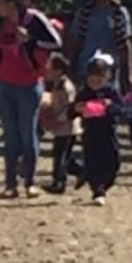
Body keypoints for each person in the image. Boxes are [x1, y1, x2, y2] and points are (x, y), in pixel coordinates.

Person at [0, 0, 64, 199]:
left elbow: (56, 42)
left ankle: (30, 182)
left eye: (1, 1)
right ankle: (10, 184)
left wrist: (31, 41)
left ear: (11, 2)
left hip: (29, 85)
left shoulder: (34, 19)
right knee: (10, 135)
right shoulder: (5, 25)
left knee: (28, 133)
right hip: (5, 84)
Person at [68, 0, 132, 89]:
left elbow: (125, 44)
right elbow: (74, 41)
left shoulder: (118, 13)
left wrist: (129, 73)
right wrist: (70, 69)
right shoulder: (84, 13)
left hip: (109, 70)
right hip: (85, 68)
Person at [75, 52, 124, 206]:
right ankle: (98, 190)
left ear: (107, 77)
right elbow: (71, 111)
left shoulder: (111, 92)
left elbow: (122, 109)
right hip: (90, 132)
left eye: (99, 79)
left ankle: (102, 183)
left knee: (114, 162)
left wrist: (110, 107)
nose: (95, 82)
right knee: (92, 161)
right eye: (92, 79)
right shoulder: (84, 92)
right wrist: (76, 108)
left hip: (108, 132)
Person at [40, 53, 82, 194]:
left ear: (58, 70)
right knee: (65, 156)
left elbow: (70, 108)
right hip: (61, 127)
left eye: (50, 68)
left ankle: (59, 183)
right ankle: (81, 171)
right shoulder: (55, 84)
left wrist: (57, 119)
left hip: (68, 127)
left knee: (60, 156)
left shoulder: (66, 86)